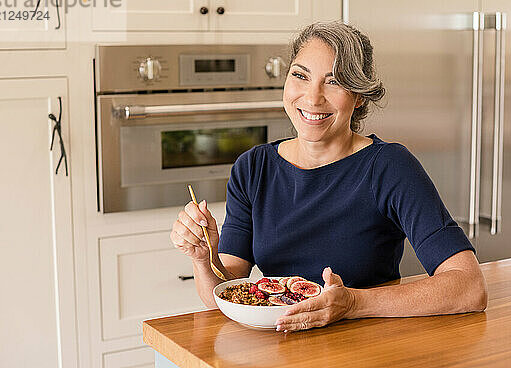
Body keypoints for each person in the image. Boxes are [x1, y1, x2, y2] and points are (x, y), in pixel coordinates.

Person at [170, 21, 488, 332]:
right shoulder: (253, 168)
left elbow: (468, 287)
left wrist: (353, 304)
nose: (312, 97)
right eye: (300, 76)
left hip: (367, 348)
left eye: (333, 81)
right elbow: (226, 296)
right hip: (281, 349)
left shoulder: (390, 166)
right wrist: (203, 258)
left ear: (359, 96)